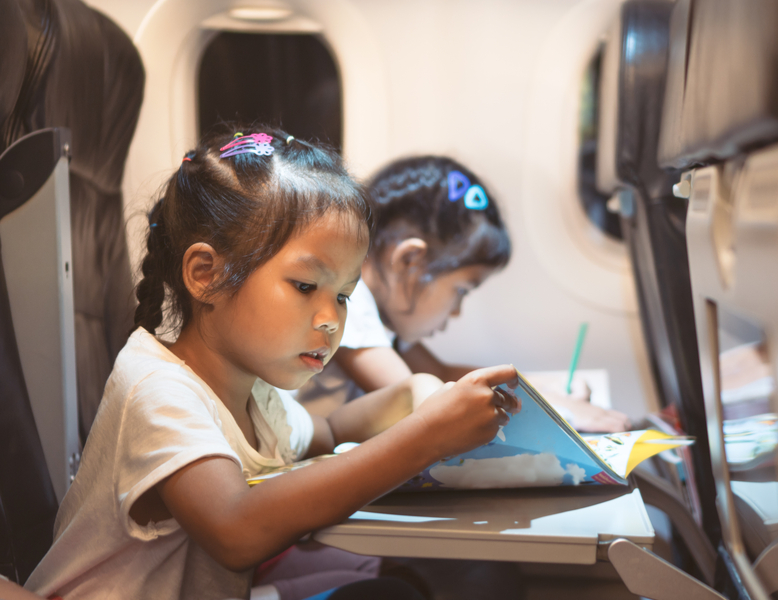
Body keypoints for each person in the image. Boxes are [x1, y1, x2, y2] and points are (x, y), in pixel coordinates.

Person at [24, 127, 519, 600]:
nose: (330, 320)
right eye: (306, 287)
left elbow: (327, 432)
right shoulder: (157, 390)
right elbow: (236, 530)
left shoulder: (252, 390)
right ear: (206, 275)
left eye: (344, 296)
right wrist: (426, 437)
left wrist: (415, 394)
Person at [296, 156, 630, 433]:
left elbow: (440, 373)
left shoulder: (380, 318)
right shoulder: (351, 309)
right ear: (409, 261)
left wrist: (540, 389)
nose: (456, 312)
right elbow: (427, 403)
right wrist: (561, 414)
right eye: (460, 291)